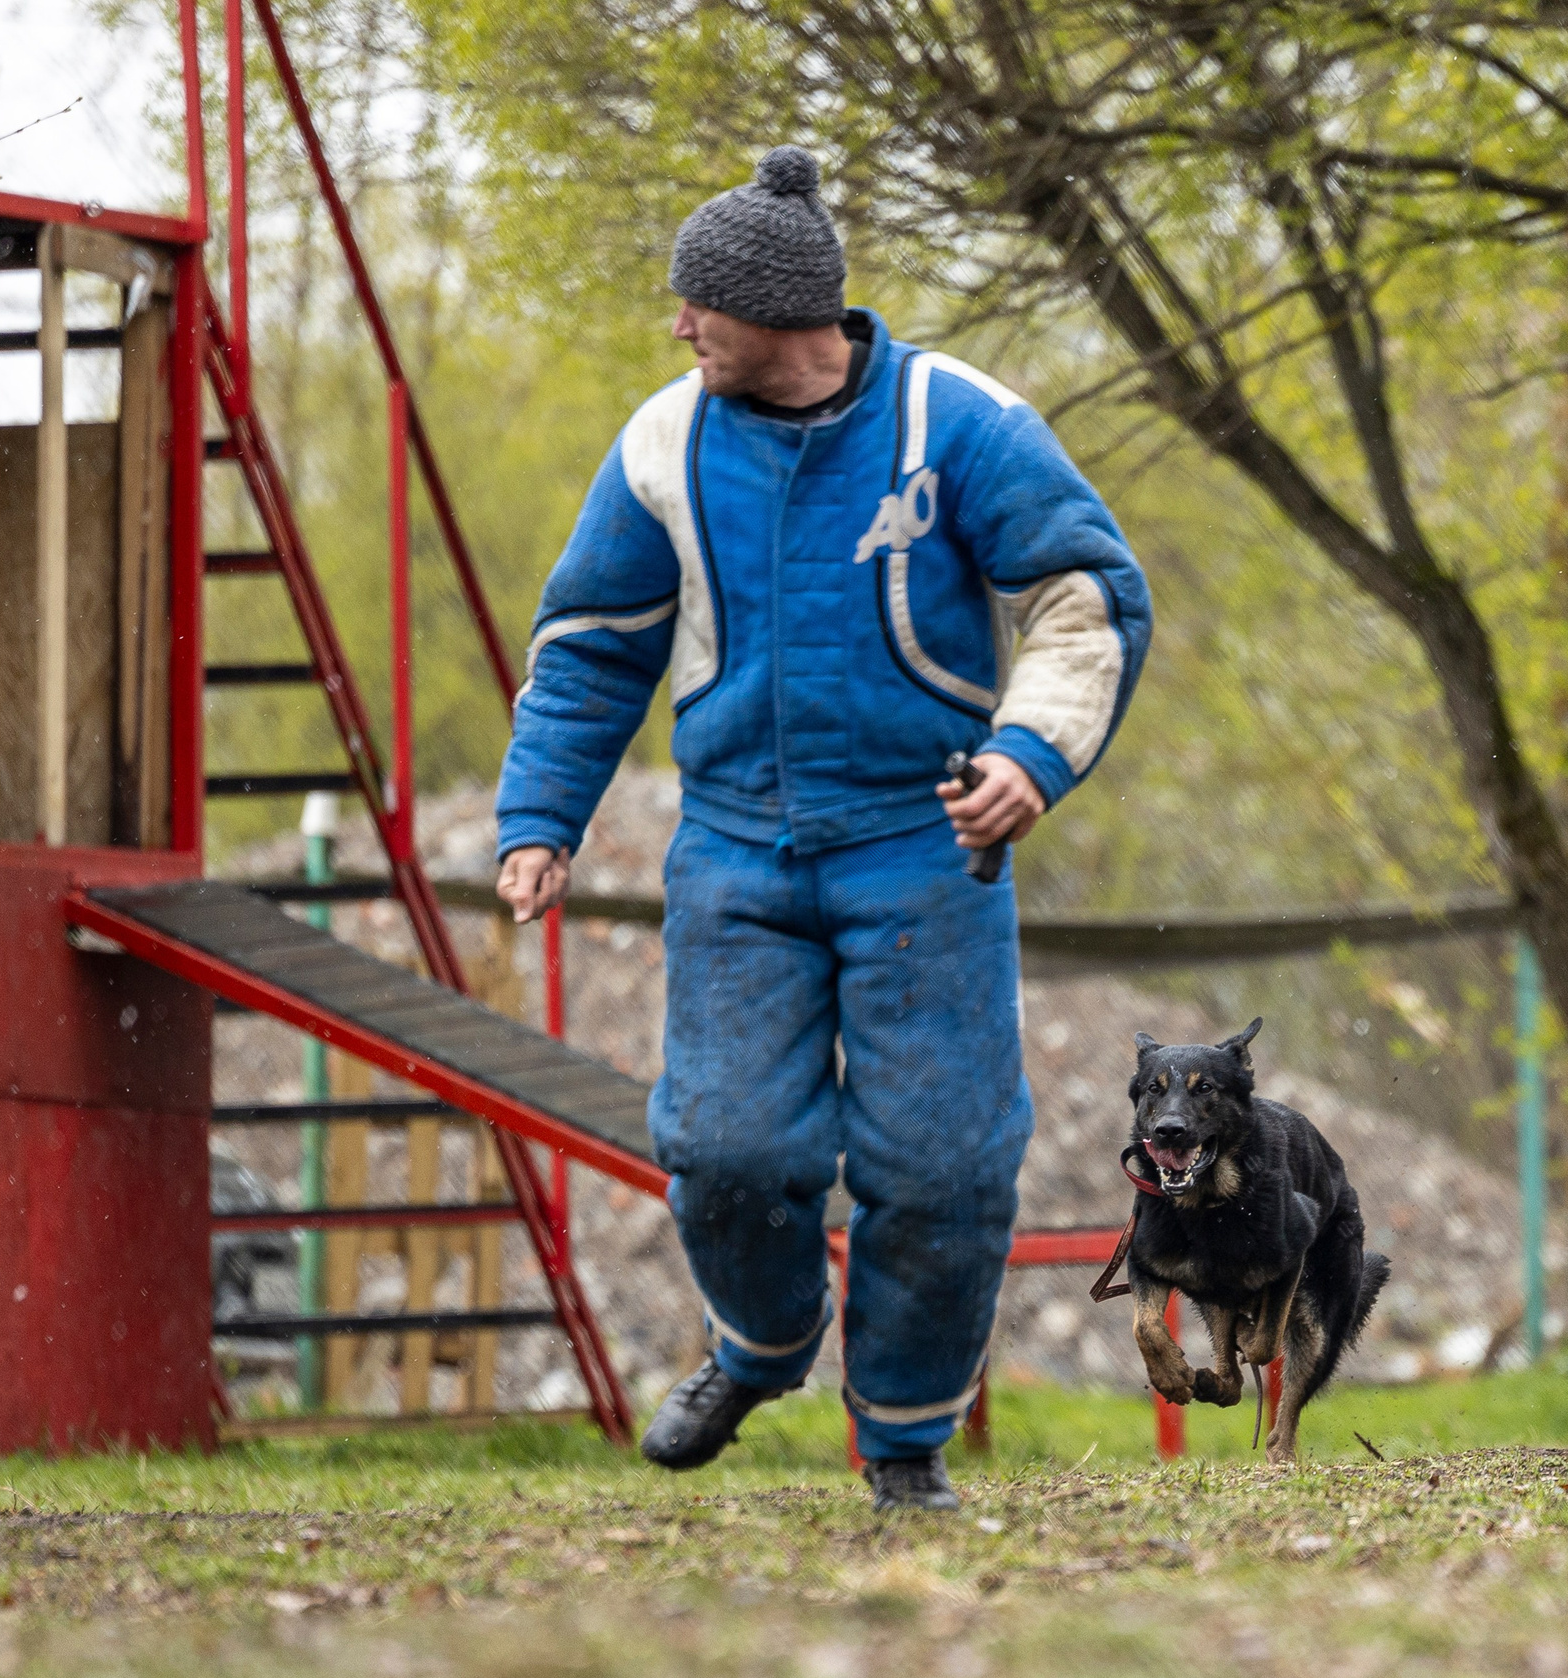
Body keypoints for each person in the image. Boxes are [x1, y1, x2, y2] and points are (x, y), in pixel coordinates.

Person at [493, 144, 1152, 1510]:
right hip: (735, 848)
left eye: (698, 305)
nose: (678, 327)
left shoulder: (958, 424)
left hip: (927, 845)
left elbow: (1085, 600)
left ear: (777, 314)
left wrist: (1031, 759)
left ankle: (904, 1446)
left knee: (945, 1165)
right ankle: (763, 1340)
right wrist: (540, 815)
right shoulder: (663, 443)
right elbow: (591, 649)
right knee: (731, 1147)